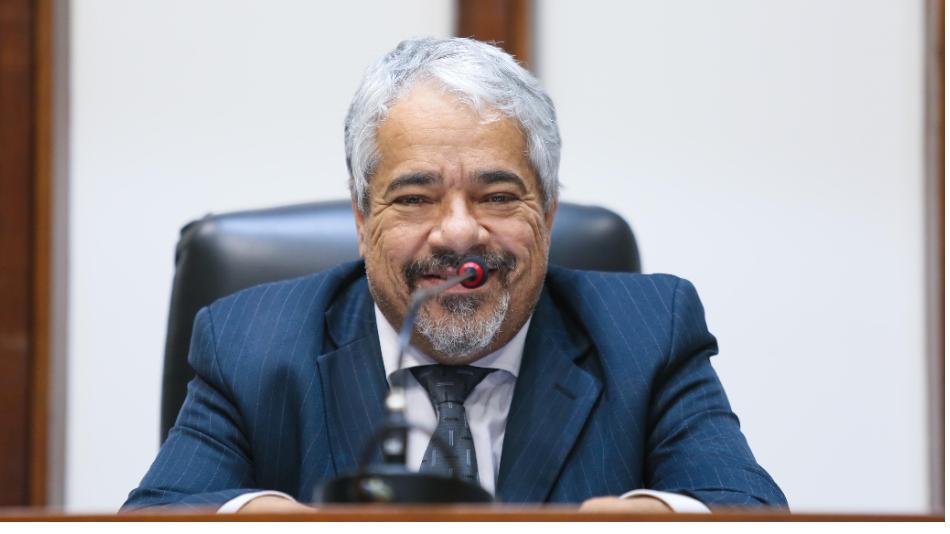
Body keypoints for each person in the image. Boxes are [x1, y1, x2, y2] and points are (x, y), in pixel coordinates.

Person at [123, 37, 786, 514]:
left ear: (548, 213)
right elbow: (155, 515)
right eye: (416, 198)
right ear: (362, 218)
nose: (459, 232)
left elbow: (748, 508)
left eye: (498, 196)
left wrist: (659, 517)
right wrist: (250, 517)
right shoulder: (250, 345)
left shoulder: (648, 334)